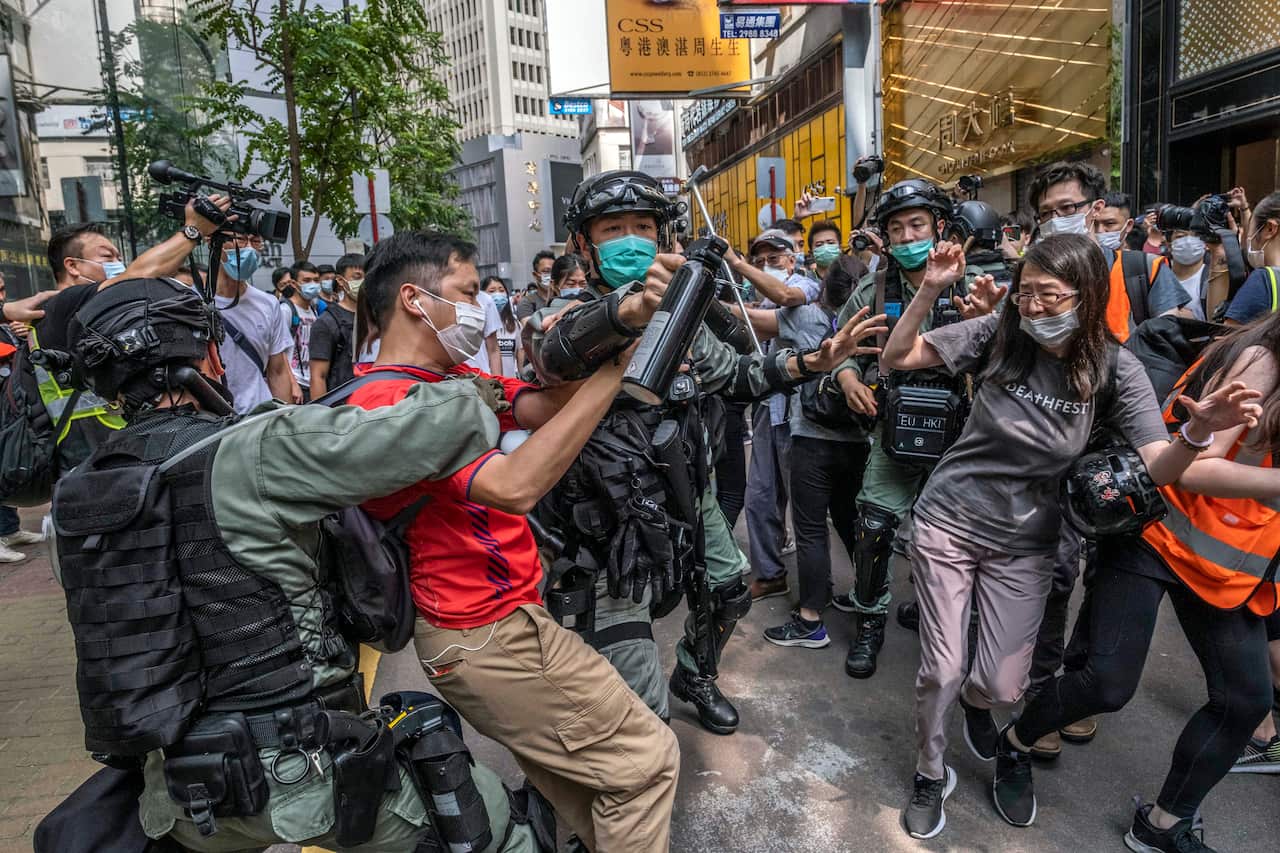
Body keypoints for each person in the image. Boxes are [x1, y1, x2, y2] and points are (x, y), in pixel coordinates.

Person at [57, 275, 548, 853]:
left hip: (180, 797)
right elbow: (426, 432)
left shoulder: (79, 495)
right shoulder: (254, 446)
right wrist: (484, 390)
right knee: (499, 826)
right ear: (209, 353)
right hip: (303, 775)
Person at [879, 233, 1259, 841]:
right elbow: (899, 357)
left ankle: (980, 709)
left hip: (1030, 542)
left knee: (999, 684)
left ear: (1085, 296)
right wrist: (929, 290)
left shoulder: (1116, 369)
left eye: (1049, 296)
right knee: (941, 669)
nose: (1033, 307)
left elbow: (1157, 467)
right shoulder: (999, 334)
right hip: (949, 521)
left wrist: (1195, 433)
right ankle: (930, 772)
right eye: (1025, 293)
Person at [347, 230, 682, 852]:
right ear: (416, 299)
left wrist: (615, 325)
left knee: (587, 788)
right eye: (468, 292)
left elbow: (539, 408)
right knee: (647, 762)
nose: (480, 308)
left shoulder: (449, 378)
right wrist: (615, 374)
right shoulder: (391, 402)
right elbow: (515, 486)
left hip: (505, 620)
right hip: (485, 633)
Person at [525, 169, 884, 735]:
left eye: (642, 227)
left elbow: (737, 375)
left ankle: (695, 674)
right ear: (584, 244)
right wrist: (630, 311)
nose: (629, 240)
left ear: (663, 236)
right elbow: (554, 354)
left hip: (687, 489)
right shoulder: (568, 316)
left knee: (728, 590)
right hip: (607, 515)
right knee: (633, 694)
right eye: (612, 229)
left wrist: (810, 362)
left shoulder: (685, 315)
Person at [1004, 307, 1280, 853]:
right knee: (1106, 684)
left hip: (1226, 565)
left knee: (1247, 700)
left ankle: (1162, 824)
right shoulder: (1263, 361)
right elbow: (1193, 467)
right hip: (1156, 535)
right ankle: (1014, 742)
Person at [829, 178, 1000, 679]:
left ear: (939, 227)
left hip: (964, 433)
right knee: (873, 528)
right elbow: (837, 348)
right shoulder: (873, 289)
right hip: (895, 429)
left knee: (957, 536)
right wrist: (846, 378)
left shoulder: (976, 283)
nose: (907, 237)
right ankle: (869, 620)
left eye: (917, 226)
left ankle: (940, 611)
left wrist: (988, 322)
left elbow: (1016, 354)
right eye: (897, 229)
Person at [737, 259, 877, 649]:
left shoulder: (806, 316)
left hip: (811, 440)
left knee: (811, 530)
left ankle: (811, 619)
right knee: (852, 524)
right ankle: (868, 600)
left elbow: (750, 317)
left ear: (824, 285)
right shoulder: (875, 322)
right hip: (857, 440)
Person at [732, 228, 822, 601]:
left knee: (804, 504)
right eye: (759, 260)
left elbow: (783, 298)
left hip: (801, 413)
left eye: (773, 258)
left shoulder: (806, 286)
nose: (766, 265)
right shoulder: (758, 299)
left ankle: (817, 591)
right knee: (760, 497)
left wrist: (736, 266)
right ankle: (770, 574)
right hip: (768, 408)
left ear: (791, 258)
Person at [1028, 161, 1187, 342]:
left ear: (1096, 208)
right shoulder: (1031, 277)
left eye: (1067, 208)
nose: (1055, 220)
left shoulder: (1146, 269)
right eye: (1045, 213)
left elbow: (1165, 345)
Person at [215, 235, 296, 411]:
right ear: (212, 240)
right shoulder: (193, 302)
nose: (250, 249)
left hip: (260, 416)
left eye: (256, 241)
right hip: (216, 421)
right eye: (241, 240)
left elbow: (278, 372)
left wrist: (286, 419)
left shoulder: (269, 303)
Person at [308, 253, 364, 397]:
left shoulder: (378, 318)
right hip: (343, 404)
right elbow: (318, 376)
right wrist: (322, 410)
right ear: (340, 280)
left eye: (367, 277)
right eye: (357, 277)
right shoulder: (327, 322)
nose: (363, 282)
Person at [1224, 190, 1280, 326]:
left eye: (1251, 230)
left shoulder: (1264, 280)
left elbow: (1227, 336)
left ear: (1270, 229)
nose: (1249, 239)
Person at [281, 260, 322, 401]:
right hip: (296, 382)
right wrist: (293, 384)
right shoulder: (286, 310)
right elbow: (279, 351)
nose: (313, 284)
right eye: (307, 280)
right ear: (293, 284)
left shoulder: (314, 310)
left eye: (316, 280)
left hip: (311, 382)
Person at [482, 276, 520, 377]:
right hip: (486, 381)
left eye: (501, 290)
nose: (498, 294)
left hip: (510, 381)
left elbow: (520, 353)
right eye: (492, 291)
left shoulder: (514, 324)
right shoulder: (479, 325)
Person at [515, 249, 557, 324]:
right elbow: (530, 327)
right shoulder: (527, 303)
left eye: (554, 272)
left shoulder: (562, 298)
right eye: (546, 271)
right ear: (535, 275)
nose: (551, 275)